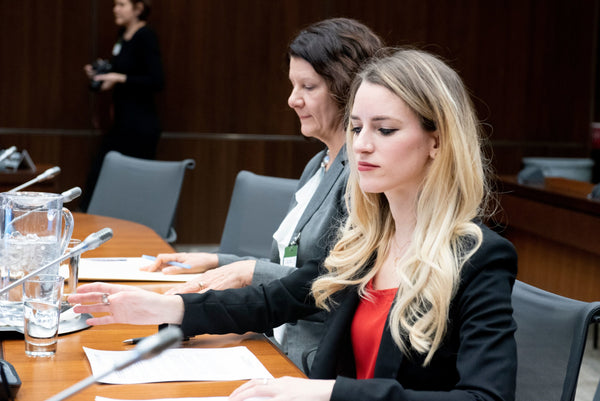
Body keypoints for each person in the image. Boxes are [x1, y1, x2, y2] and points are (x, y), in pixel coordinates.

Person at [69, 48, 518, 401]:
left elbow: (485, 397)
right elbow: (274, 301)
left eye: (384, 130)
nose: (360, 146)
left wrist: (327, 392)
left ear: (436, 140)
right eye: (357, 127)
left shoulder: (479, 257)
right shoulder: (367, 244)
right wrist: (164, 309)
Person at [136, 18, 383, 372]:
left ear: (347, 88)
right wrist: (218, 261)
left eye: (308, 86)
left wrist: (245, 271)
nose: (292, 99)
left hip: (311, 361)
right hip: (270, 340)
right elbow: (290, 265)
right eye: (292, 85)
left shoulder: (363, 174)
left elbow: (336, 285)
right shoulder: (319, 163)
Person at [80, 0, 164, 210]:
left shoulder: (146, 36)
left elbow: (157, 80)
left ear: (138, 9)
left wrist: (120, 78)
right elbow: (121, 73)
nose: (115, 9)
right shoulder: (122, 36)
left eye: (122, 4)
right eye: (115, 4)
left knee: (136, 184)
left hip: (140, 125)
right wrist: (103, 76)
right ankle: (89, 221)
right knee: (99, 174)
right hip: (121, 122)